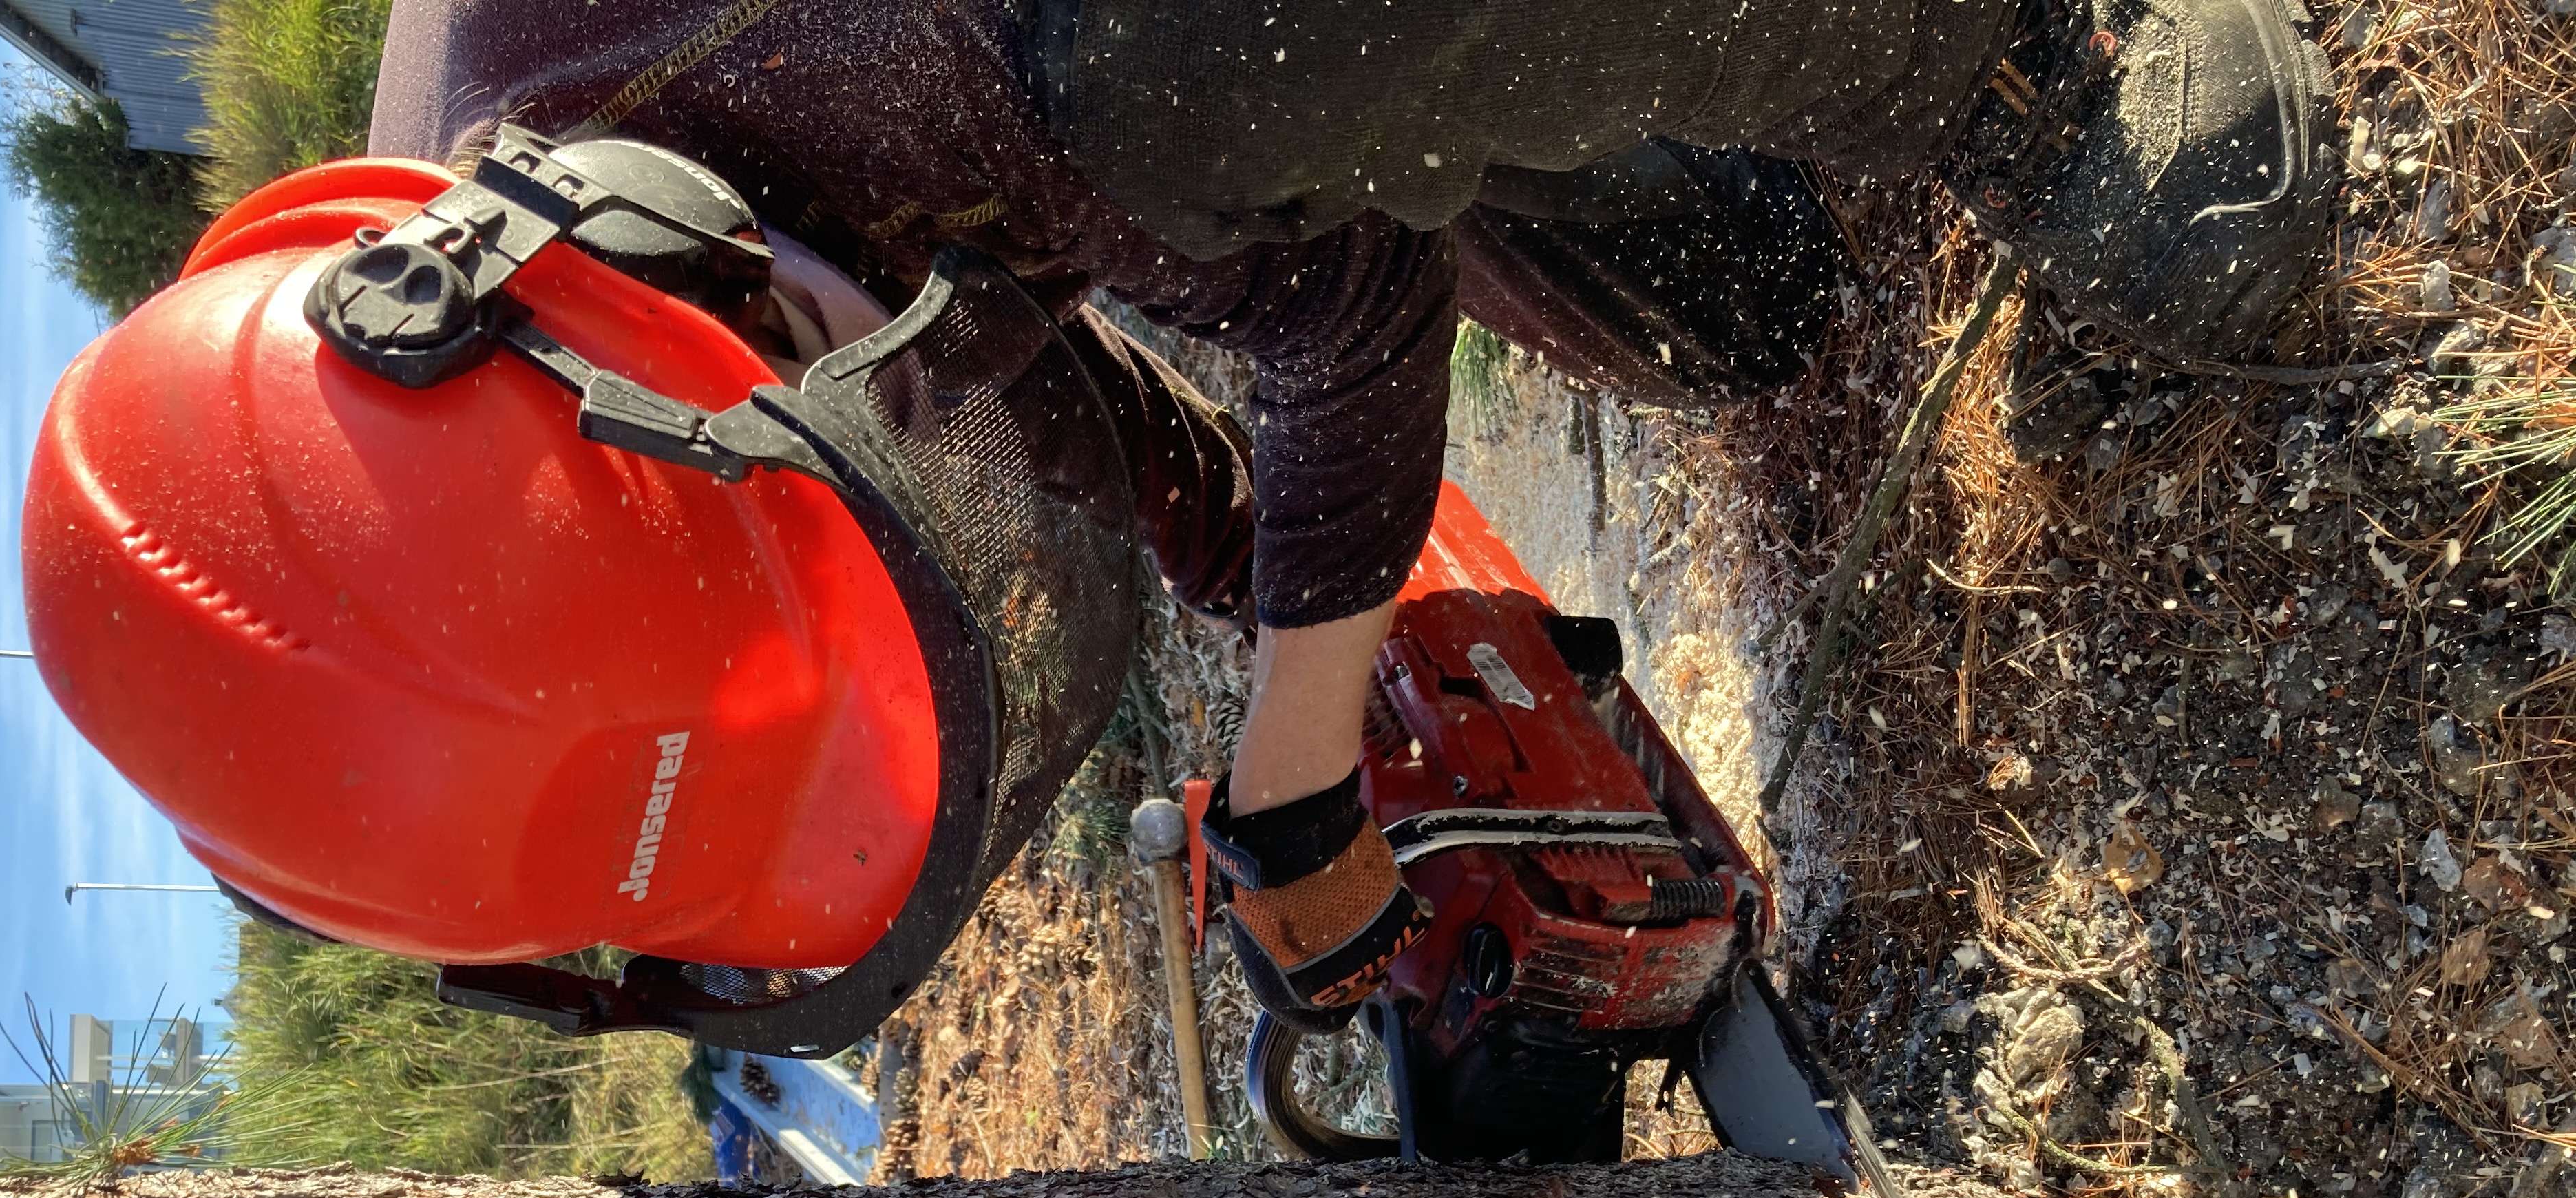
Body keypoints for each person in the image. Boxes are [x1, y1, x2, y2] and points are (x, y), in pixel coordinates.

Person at [361, 0, 2334, 1031]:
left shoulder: (1008, 60)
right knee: (1742, 300)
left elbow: (1337, 299)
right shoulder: (544, 293)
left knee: (1214, 82)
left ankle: (2029, 47)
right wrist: (1273, 575)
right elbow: (972, 331)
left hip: (1154, 47)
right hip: (1069, 87)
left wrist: (1299, 769)